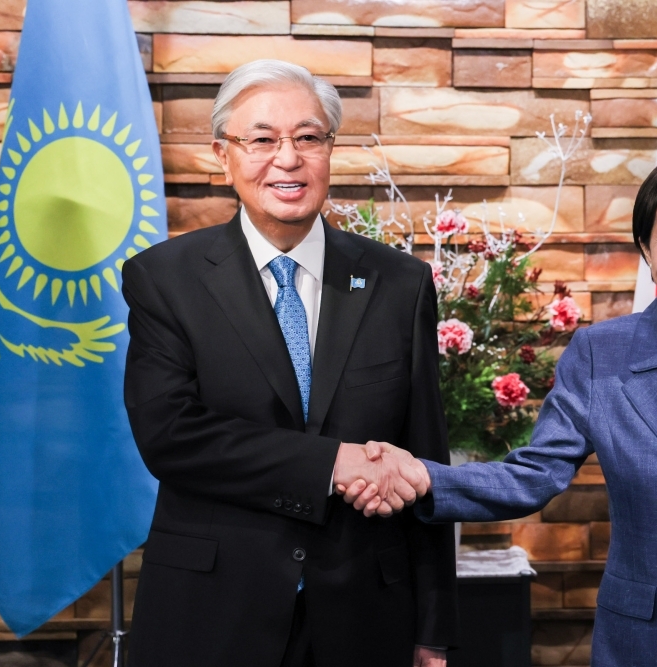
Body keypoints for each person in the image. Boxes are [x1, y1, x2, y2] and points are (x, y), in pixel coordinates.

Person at [342, 153, 657, 666]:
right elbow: (534, 475)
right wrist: (423, 478)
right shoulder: (598, 354)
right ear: (645, 249)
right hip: (644, 644)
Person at [122, 59, 456, 667]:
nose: (287, 157)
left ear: (330, 150)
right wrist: (333, 463)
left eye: (308, 137)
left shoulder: (400, 283)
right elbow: (170, 436)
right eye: (261, 139)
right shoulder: (163, 279)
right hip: (210, 613)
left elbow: (424, 458)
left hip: (364, 614)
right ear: (223, 156)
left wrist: (434, 629)